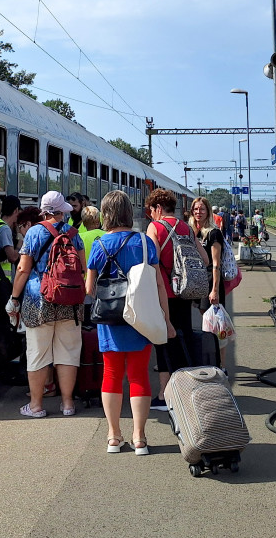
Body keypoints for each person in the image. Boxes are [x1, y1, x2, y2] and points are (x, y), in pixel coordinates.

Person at [85, 190, 171, 455]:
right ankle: (140, 438)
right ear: (128, 213)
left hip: (110, 320)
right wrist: (166, 320)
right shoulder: (145, 243)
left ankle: (113, 436)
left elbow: (90, 289)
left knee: (111, 374)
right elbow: (159, 285)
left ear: (105, 214)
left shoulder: (99, 245)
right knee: (139, 375)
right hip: (141, 318)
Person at [7, 190, 86, 418]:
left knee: (38, 354)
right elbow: (81, 267)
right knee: (68, 353)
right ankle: (68, 404)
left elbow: (22, 269)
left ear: (44, 211)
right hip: (69, 301)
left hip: (38, 299)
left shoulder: (34, 233)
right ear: (62, 212)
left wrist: (14, 298)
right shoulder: (74, 233)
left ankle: (36, 406)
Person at [145, 187, 210, 410]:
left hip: (164, 293)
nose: (150, 214)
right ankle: (188, 389)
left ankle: (164, 395)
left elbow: (150, 261)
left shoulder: (155, 227)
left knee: (163, 342)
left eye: (151, 210)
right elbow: (205, 259)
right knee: (186, 336)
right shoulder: (186, 228)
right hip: (185, 291)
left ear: (158, 208)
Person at [191, 196, 227, 367]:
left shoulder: (214, 233)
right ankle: (210, 361)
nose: (198, 212)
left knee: (216, 328)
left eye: (202, 209)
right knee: (207, 324)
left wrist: (214, 290)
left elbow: (216, 264)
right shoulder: (194, 232)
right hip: (199, 282)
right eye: (196, 209)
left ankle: (220, 365)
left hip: (211, 281)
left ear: (208, 211)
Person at [0, 195, 22, 270]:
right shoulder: (5, 230)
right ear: (16, 210)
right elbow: (13, 258)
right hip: (1, 278)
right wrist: (20, 242)